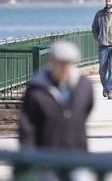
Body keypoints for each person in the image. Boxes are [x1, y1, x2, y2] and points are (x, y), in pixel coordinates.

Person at [18, 41, 94, 179]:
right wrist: (28, 156)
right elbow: (27, 127)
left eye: (69, 63)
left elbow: (86, 109)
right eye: (61, 63)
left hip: (78, 156)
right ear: (51, 62)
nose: (65, 68)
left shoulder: (84, 86)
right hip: (47, 159)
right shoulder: (36, 90)